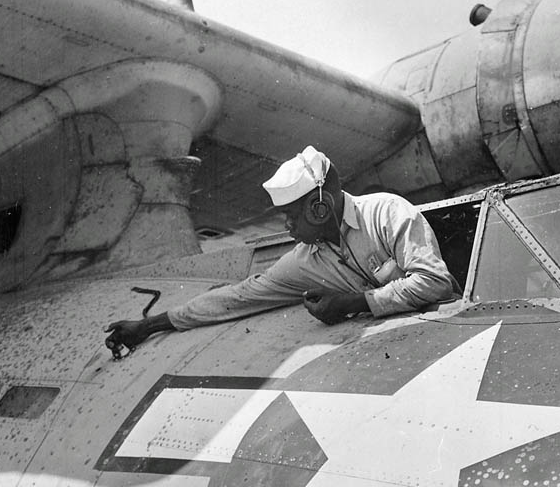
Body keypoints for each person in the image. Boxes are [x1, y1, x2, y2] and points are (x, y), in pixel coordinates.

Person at [104, 146, 459, 355]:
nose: (287, 227)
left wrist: (354, 303)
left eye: (291, 216)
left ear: (319, 208)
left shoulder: (386, 213)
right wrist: (149, 326)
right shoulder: (304, 261)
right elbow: (238, 297)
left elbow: (435, 282)